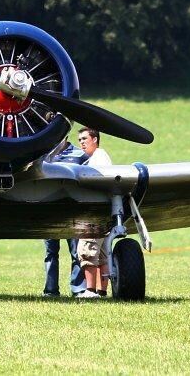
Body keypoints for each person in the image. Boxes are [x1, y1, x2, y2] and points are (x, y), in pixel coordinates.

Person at [42, 141, 88, 297]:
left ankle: (78, 288)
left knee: (76, 253)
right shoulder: (42, 155)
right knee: (50, 253)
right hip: (50, 213)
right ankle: (50, 290)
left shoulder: (80, 155)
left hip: (72, 213)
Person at [76, 127, 112, 298]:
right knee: (102, 254)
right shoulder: (99, 157)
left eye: (85, 139)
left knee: (87, 249)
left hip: (94, 213)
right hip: (104, 212)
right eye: (80, 140)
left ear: (95, 139)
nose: (82, 143)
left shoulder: (98, 160)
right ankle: (102, 291)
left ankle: (90, 291)